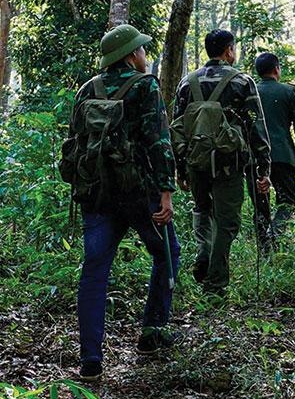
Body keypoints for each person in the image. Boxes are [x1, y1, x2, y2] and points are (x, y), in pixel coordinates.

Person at [64, 24, 181, 382]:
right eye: (143, 50)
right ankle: (152, 332)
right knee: (167, 253)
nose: (146, 55)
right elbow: (157, 140)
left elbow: (74, 142)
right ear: (132, 55)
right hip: (140, 192)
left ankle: (90, 360)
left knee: (94, 271)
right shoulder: (145, 86)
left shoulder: (89, 88)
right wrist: (166, 191)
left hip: (97, 194)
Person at [171, 29, 272, 296]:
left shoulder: (186, 82)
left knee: (202, 210)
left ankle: (204, 252)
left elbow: (177, 127)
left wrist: (180, 167)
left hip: (195, 161)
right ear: (229, 50)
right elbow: (257, 127)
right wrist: (264, 169)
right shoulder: (241, 81)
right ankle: (215, 283)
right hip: (229, 162)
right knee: (227, 222)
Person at [254, 52, 295, 242]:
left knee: (260, 204)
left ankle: (264, 248)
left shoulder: (251, 90)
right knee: (286, 202)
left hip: (254, 158)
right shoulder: (288, 91)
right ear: (277, 69)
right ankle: (276, 235)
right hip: (282, 156)